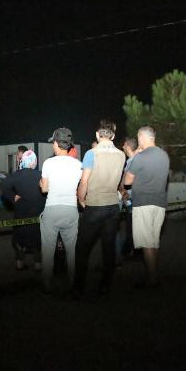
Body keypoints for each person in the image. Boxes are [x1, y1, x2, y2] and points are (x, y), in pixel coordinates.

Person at [73, 120, 126, 298]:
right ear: (113, 135)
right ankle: (105, 285)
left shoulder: (91, 153)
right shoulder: (121, 155)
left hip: (95, 205)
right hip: (113, 207)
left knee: (82, 249)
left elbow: (84, 181)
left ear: (97, 134)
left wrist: (81, 199)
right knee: (108, 248)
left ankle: (78, 288)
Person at [123, 126, 169, 288]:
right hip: (160, 204)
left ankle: (152, 279)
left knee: (147, 243)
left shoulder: (140, 157)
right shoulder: (164, 155)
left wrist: (136, 157)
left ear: (142, 137)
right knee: (153, 242)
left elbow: (127, 181)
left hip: (143, 203)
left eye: (138, 137)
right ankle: (155, 274)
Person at [39, 128, 82, 293]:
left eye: (53, 142)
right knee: (72, 251)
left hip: (52, 209)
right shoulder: (78, 164)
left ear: (56, 143)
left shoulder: (48, 163)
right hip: (71, 210)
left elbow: (44, 189)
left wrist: (41, 184)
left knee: (48, 250)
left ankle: (47, 285)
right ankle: (73, 283)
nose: (52, 145)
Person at [1, 150, 46, 271]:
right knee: (37, 239)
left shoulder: (17, 175)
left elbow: (3, 185)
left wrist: (12, 196)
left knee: (20, 238)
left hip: (21, 212)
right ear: (34, 162)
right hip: (37, 213)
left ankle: (19, 264)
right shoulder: (41, 175)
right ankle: (38, 265)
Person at [118, 137, 142, 260]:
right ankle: (132, 251)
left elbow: (130, 181)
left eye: (124, 145)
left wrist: (124, 191)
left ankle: (132, 252)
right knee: (131, 226)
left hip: (134, 199)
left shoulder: (134, 161)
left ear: (128, 146)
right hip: (130, 199)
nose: (122, 147)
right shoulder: (131, 161)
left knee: (133, 226)